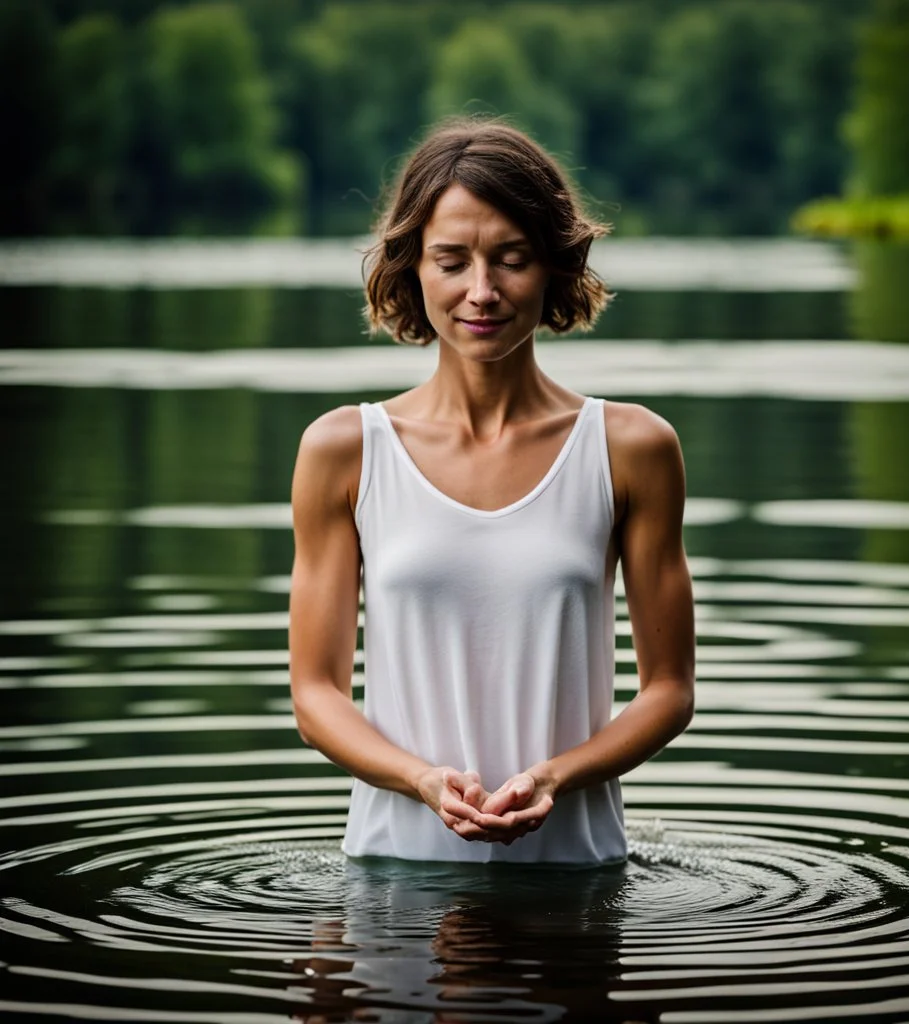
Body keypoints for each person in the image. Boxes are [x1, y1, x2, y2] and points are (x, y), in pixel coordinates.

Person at [288, 118, 695, 865]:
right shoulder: (344, 450)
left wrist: (553, 778)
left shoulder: (631, 448)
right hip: (392, 878)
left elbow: (669, 690)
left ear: (554, 267)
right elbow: (315, 696)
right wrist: (419, 780)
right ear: (412, 267)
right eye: (451, 261)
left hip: (575, 877)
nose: (482, 292)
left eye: (512, 259)